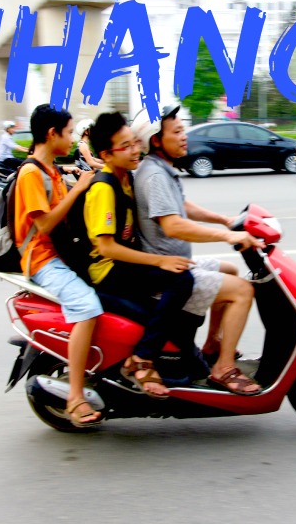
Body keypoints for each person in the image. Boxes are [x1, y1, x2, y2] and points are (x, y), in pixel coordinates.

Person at [131, 104, 266, 395]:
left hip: (178, 261)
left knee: (230, 270)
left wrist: (225, 220)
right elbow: (173, 225)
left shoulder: (161, 169)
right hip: (167, 273)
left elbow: (181, 207)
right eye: (177, 131)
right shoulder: (154, 175)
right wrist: (226, 236)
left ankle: (213, 344)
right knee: (243, 291)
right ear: (156, 139)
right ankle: (224, 368)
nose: (184, 137)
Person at [84, 112, 196, 398]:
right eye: (127, 146)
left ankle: (194, 362)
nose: (136, 150)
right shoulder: (103, 188)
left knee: (181, 300)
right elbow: (106, 248)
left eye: (135, 142)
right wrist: (160, 260)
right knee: (180, 280)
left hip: (124, 263)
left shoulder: (126, 177)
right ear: (108, 154)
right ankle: (142, 360)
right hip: (108, 271)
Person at [13, 105, 102, 427]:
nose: (73, 138)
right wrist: (77, 187)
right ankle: (76, 397)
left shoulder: (52, 170)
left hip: (63, 254)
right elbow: (46, 224)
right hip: (43, 259)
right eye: (68, 132)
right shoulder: (30, 174)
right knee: (88, 306)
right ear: (52, 134)